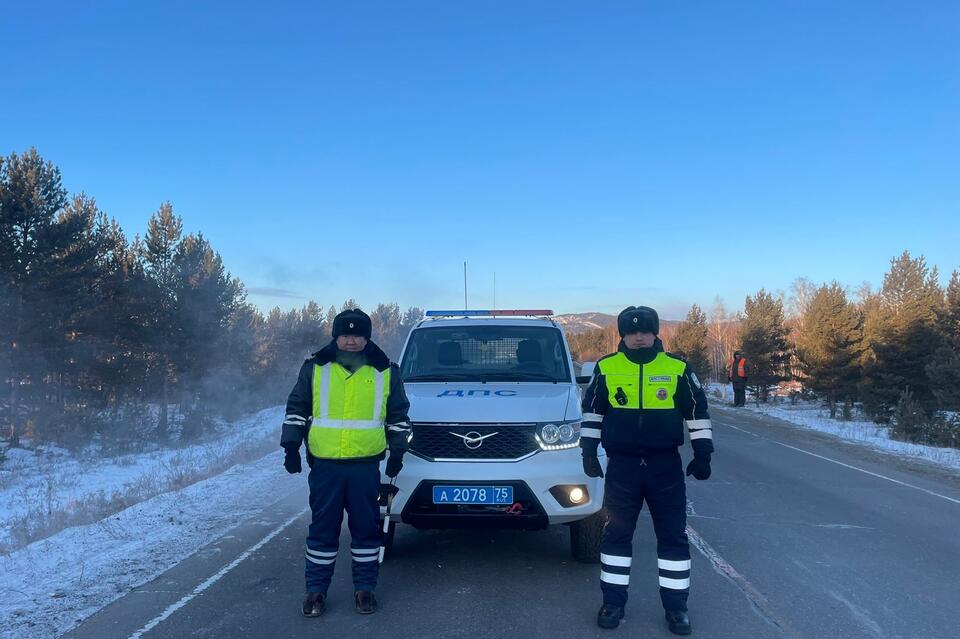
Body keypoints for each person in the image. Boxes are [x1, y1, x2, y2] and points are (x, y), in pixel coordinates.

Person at [581, 306, 714, 635]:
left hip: (664, 466)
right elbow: (593, 410)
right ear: (622, 335)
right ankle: (612, 603)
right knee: (615, 536)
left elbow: (696, 409)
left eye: (645, 331)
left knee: (672, 538)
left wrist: (703, 452)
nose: (638, 336)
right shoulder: (607, 367)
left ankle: (676, 608)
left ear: (656, 333)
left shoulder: (677, 368)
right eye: (631, 331)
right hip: (623, 467)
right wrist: (588, 451)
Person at [280, 308, 412, 617]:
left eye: (357, 335)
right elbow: (297, 406)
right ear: (335, 336)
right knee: (323, 529)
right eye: (345, 334)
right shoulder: (315, 368)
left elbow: (398, 416)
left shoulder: (386, 371)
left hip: (365, 466)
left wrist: (397, 453)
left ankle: (364, 590)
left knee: (366, 529)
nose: (351, 341)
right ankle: (315, 592)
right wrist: (290, 446)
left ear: (367, 337)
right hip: (325, 466)